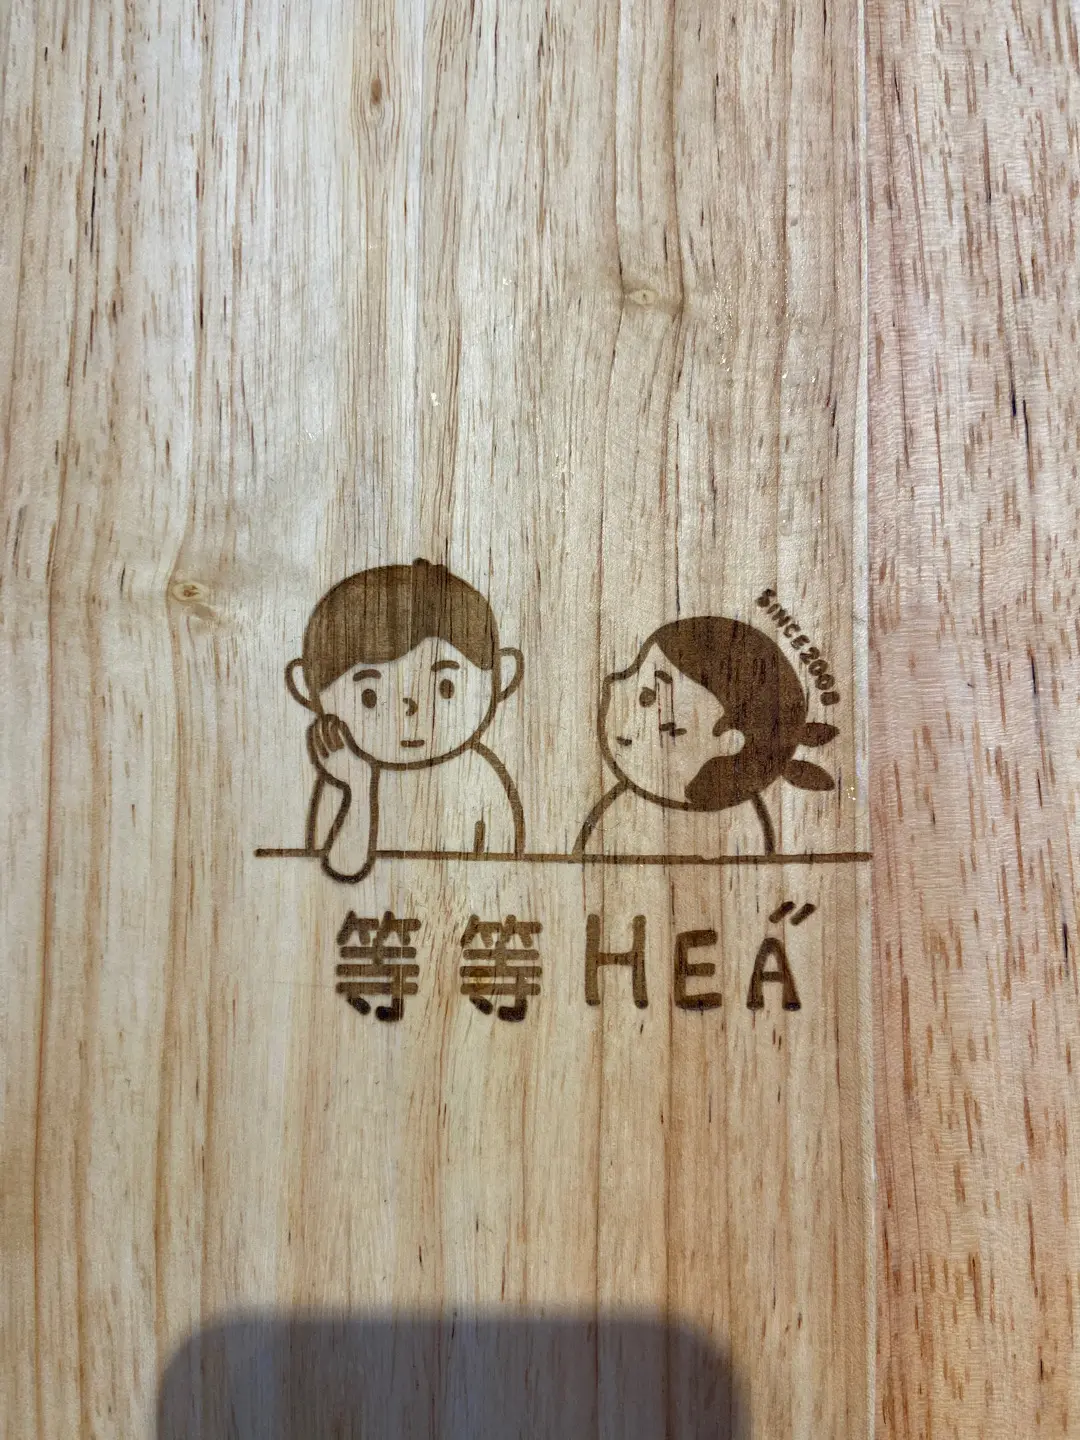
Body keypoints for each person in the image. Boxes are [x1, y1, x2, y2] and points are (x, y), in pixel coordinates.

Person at [286, 560, 524, 881]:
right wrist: (358, 789)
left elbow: (507, 874)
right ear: (307, 687)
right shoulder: (344, 772)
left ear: (501, 678)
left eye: (445, 687)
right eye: (369, 696)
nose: (410, 713)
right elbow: (340, 870)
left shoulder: (479, 776)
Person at [573, 616, 837, 856]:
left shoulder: (741, 827)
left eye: (647, 697)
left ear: (728, 741)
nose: (613, 682)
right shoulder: (621, 812)